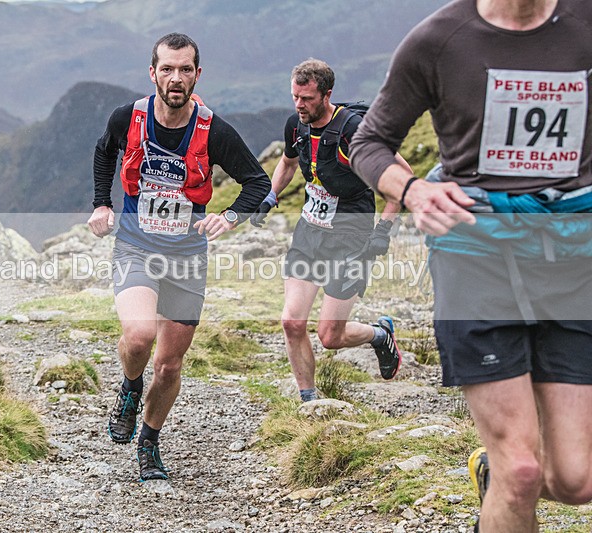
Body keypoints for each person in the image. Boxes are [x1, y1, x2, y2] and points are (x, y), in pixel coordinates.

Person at [350, 1, 592, 532]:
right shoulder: (438, 39)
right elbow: (369, 142)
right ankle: (506, 476)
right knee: (523, 469)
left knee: (577, 481)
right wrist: (413, 190)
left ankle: (494, 477)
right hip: (475, 257)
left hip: (572, 261)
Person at [88, 32, 271, 482]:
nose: (176, 77)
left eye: (185, 69)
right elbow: (104, 152)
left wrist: (229, 217)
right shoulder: (127, 117)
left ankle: (149, 442)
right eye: (167, 69)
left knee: (169, 365)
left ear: (196, 74)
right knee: (137, 337)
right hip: (135, 245)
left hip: (187, 257)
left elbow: (258, 183)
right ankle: (130, 388)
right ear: (152, 73)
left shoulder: (214, 131)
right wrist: (102, 202)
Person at [250, 58, 409, 402]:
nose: (299, 105)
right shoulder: (297, 124)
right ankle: (310, 401)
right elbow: (289, 162)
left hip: (351, 236)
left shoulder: (354, 132)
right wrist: (271, 195)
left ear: (327, 95)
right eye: (295, 96)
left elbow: (401, 178)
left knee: (330, 336)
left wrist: (383, 230)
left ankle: (380, 335)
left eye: (306, 98)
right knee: (292, 322)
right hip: (310, 230)